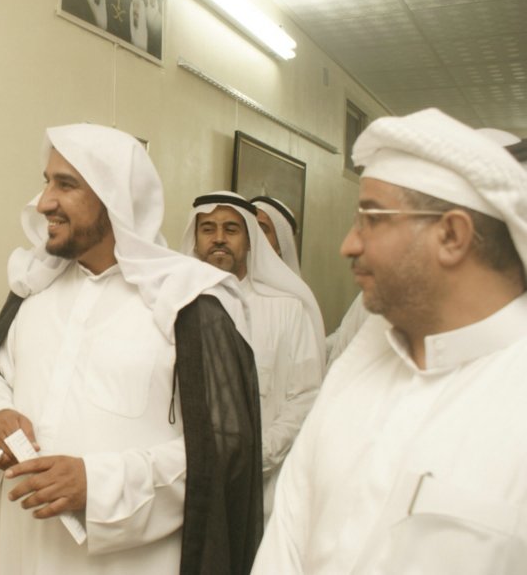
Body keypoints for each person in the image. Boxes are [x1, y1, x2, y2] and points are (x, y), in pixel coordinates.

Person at [0, 124, 264, 575]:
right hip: (19, 551)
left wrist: (98, 485)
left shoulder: (189, 304)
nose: (44, 201)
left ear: (114, 198)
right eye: (47, 182)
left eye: (65, 185)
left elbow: (222, 452)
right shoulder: (35, 287)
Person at [252, 108, 527, 574]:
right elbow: (287, 543)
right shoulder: (359, 364)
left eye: (371, 219)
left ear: (452, 235)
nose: (349, 245)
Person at [180, 192, 324, 523]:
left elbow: (305, 396)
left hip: (261, 489)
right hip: (184, 484)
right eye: (208, 229)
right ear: (195, 239)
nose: (219, 238)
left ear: (249, 241)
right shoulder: (174, 306)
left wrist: (255, 455)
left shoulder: (287, 309)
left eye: (231, 229)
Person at [250, 196, 301, 276]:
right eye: (249, 227)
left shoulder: (286, 283)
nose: (251, 235)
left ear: (280, 247)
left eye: (262, 230)